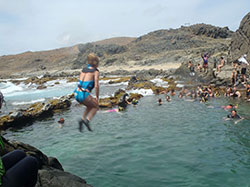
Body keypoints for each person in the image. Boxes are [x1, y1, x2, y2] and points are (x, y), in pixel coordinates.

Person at [74, 53, 100, 132]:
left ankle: (82, 120)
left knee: (89, 106)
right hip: (84, 94)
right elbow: (96, 86)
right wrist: (97, 98)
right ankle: (87, 121)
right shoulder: (95, 72)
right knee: (96, 107)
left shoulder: (83, 70)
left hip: (76, 93)